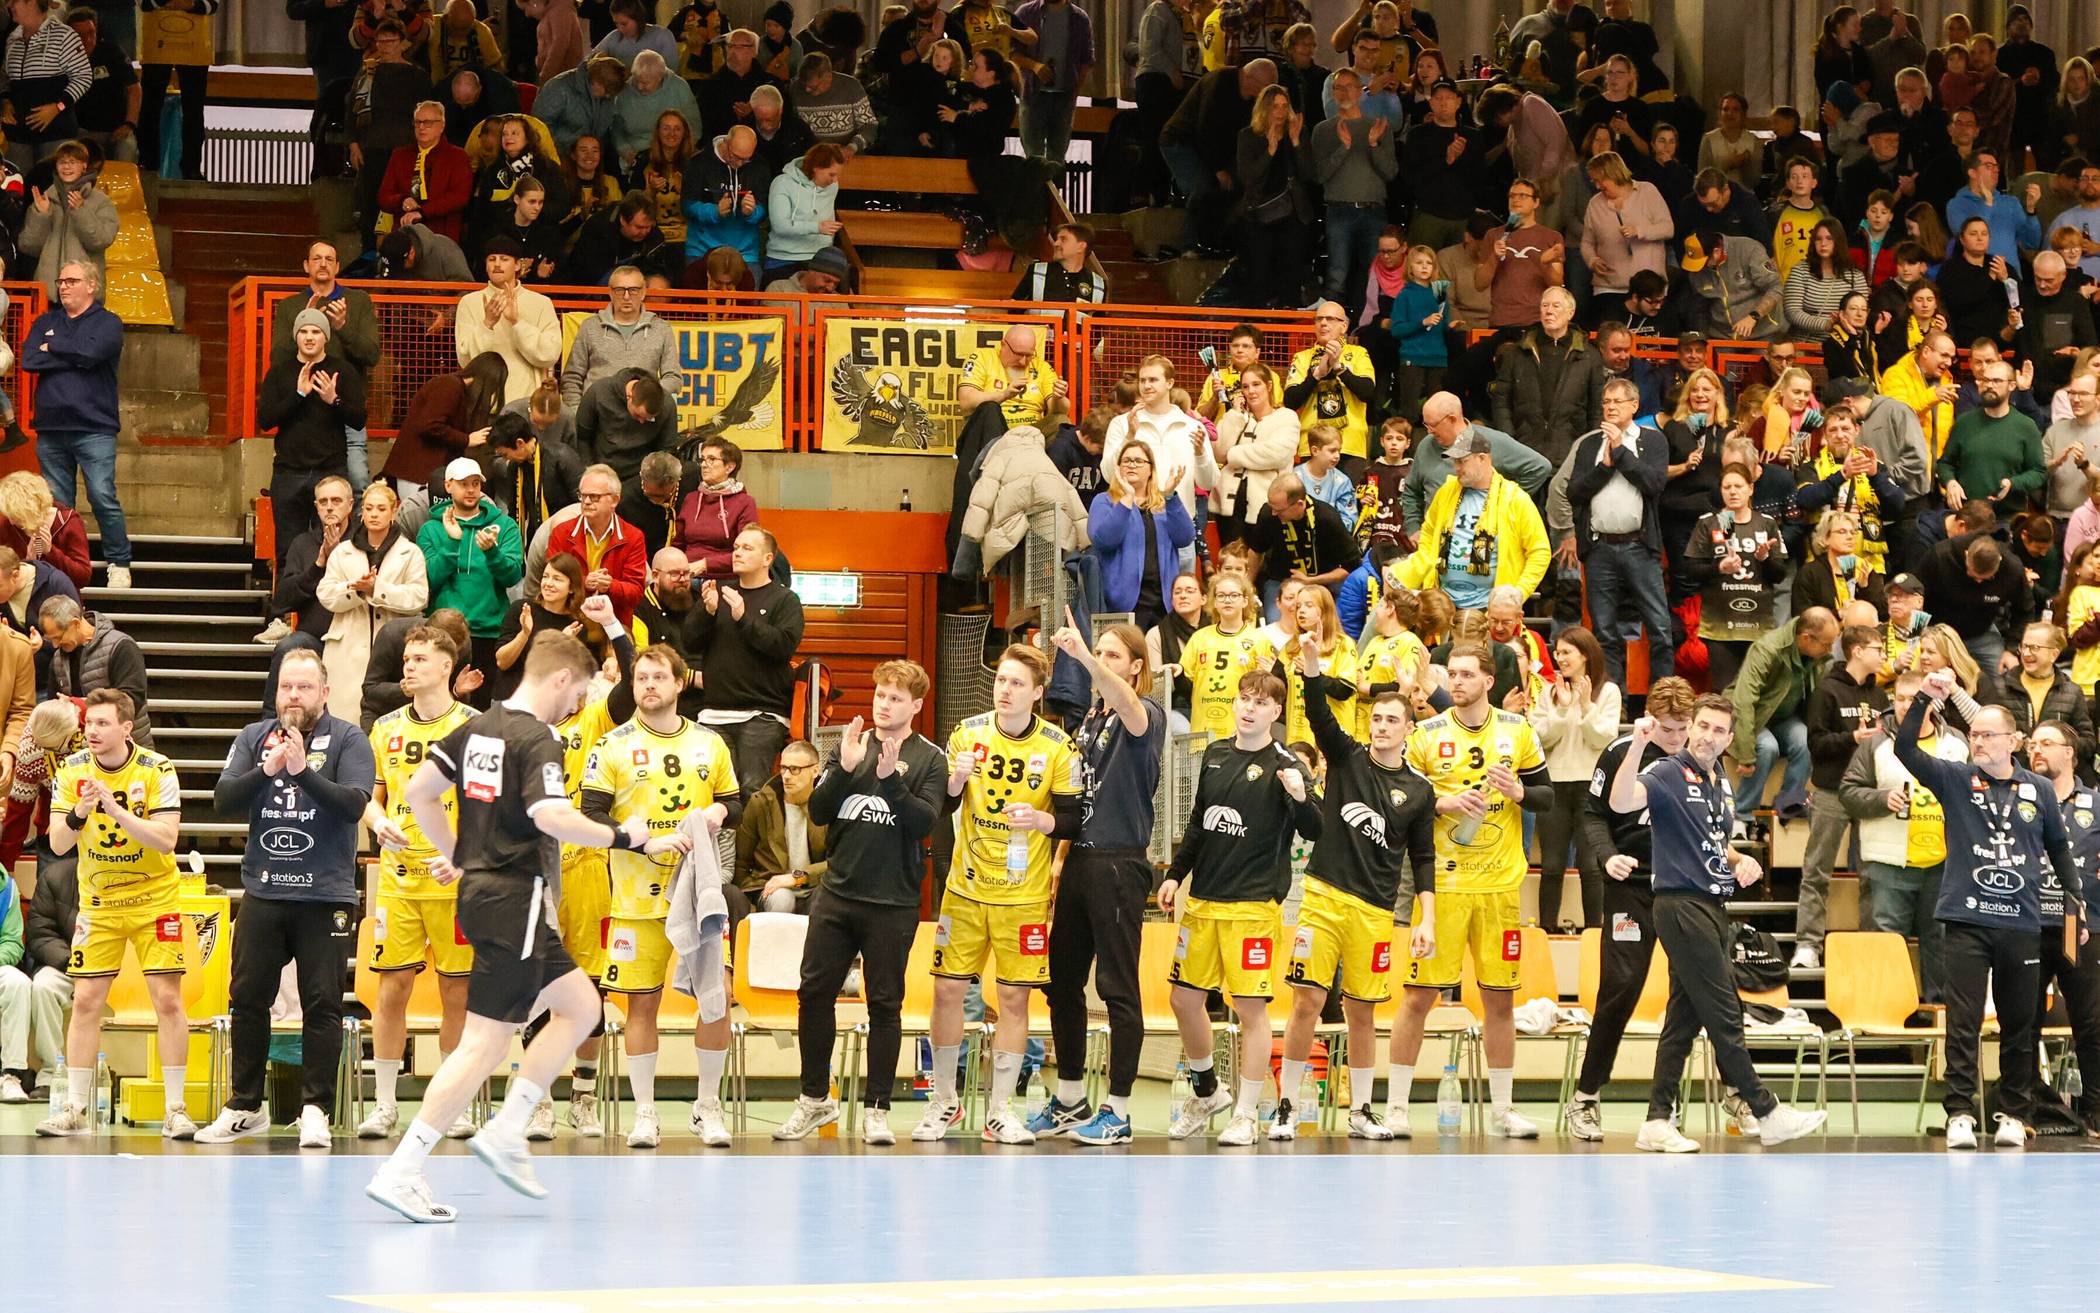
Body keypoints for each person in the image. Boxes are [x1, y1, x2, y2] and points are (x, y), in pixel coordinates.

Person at [364, 630, 682, 1221]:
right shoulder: (538, 737)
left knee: (582, 1007)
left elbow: (420, 792)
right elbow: (552, 814)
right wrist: (625, 836)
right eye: (579, 692)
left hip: (486, 896)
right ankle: (403, 1168)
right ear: (561, 679)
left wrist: (462, 855)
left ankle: (508, 1128)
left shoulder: (478, 726)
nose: (577, 704)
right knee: (484, 1043)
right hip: (518, 898)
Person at [1607, 695, 1830, 1151]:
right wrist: (1637, 745)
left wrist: (1740, 860)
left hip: (1712, 905)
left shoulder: (1719, 779)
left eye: (1717, 730)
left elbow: (1712, 840)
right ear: (1691, 728)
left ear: (1730, 739)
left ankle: (1657, 1120)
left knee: (1683, 1019)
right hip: (1680, 905)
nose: (1708, 736)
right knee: (1725, 1010)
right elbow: (1621, 799)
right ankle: (1765, 1110)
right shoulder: (1668, 771)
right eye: (1703, 726)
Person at [190, 649, 373, 1149]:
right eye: (286, 687)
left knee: (322, 1003)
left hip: (325, 895)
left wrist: (303, 771)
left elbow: (354, 805)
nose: (294, 695)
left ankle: (315, 1109)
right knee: (248, 998)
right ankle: (245, 1106)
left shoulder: (349, 739)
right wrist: (268, 770)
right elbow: (223, 799)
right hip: (265, 889)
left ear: (324, 692)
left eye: (304, 687)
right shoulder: (254, 737)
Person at [1902, 668, 2082, 1149]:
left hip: (2020, 924)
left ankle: (2014, 1114)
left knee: (2019, 1022)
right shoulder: (1955, 778)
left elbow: (2059, 849)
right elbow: (1905, 750)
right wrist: (1923, 700)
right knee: (1962, 1022)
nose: (1978, 742)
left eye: (1987, 735)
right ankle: (1960, 1112)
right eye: (1974, 734)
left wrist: (2076, 903)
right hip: (1966, 918)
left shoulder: (2039, 790)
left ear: (2013, 741)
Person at [773, 662, 946, 1146]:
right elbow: (819, 811)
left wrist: (890, 781)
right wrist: (845, 769)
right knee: (814, 993)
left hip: (893, 902)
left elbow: (924, 823)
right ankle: (814, 1098)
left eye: (896, 698)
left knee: (885, 1004)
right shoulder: (850, 745)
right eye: (880, 695)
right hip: (838, 895)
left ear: (916, 705)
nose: (884, 704)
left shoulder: (930, 758)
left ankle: (877, 1109)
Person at [1385, 642, 1552, 1138]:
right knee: (1419, 997)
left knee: (1499, 1002)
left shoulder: (1518, 730)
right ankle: (1396, 1107)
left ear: (1488, 681)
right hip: (1444, 886)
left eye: (1465, 675)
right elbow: (1399, 799)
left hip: (1500, 887)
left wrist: (1518, 791)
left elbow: (1547, 795)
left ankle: (1502, 1110)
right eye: (1452, 674)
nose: (1455, 682)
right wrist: (1444, 803)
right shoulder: (1427, 734)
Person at [917, 645, 1081, 1144]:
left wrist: (1041, 820)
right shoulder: (967, 733)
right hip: (966, 890)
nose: (1005, 690)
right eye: (1001, 680)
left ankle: (1000, 1111)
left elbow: (1073, 819)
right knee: (947, 991)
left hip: (1023, 896)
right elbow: (941, 805)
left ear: (1037, 693)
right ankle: (944, 1102)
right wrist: (955, 780)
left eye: (1016, 683)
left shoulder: (1058, 746)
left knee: (1013, 997)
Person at [1011, 619, 1165, 1147]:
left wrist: (1084, 658)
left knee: (1118, 988)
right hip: (1079, 860)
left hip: (1119, 863)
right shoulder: (1088, 723)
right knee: (1060, 982)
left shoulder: (1146, 715)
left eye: (1113, 655)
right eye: (1100, 652)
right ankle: (1071, 1098)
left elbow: (1125, 702)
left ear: (1136, 667)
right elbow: (1078, 798)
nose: (1102, 660)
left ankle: (1118, 1111)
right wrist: (1058, 857)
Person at [580, 638, 738, 1148]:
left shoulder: (710, 743)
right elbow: (589, 814)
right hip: (634, 898)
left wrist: (718, 812)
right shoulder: (612, 745)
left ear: (679, 683)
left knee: (716, 999)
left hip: (696, 894)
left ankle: (707, 1106)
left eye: (658, 677)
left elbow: (734, 802)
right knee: (640, 1005)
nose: (648, 686)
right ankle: (645, 1112)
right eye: (641, 678)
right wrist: (643, 839)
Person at [1159, 669, 1316, 1145]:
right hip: (1203, 901)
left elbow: (1315, 829)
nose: (1249, 708)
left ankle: (1246, 1113)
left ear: (1276, 712)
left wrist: (1300, 795)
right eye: (1244, 699)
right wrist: (1174, 875)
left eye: (1260, 702)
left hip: (1252, 905)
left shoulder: (1287, 764)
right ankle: (1208, 1091)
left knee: (1249, 1007)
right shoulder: (1215, 755)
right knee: (1183, 999)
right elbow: (1199, 823)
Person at [32, 690, 185, 1138]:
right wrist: (80, 812)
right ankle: (76, 1108)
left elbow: (166, 839)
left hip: (155, 898)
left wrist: (117, 811)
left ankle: (175, 1109)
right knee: (85, 1001)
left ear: (126, 728)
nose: (92, 732)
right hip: (99, 904)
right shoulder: (72, 770)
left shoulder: (157, 768)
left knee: (168, 1000)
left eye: (102, 724)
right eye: (89, 725)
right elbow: (57, 843)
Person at [352, 623, 476, 1141]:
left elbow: (491, 807)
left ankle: (450, 1107)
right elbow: (370, 794)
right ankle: (384, 1105)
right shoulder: (385, 728)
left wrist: (466, 856)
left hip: (454, 882)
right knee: (391, 989)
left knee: (457, 993)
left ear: (447, 667)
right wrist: (377, 820)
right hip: (399, 879)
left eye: (420, 659)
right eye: (406, 659)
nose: (408, 666)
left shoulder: (474, 726)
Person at [1563, 676, 1697, 1140]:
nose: (1675, 738)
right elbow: (1593, 814)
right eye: (1667, 729)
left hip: (1683, 889)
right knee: (1620, 988)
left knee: (1696, 992)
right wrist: (1606, 857)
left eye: (1682, 728)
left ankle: (1679, 1104)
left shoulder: (1700, 756)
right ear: (1649, 719)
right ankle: (1585, 1097)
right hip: (1630, 888)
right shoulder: (1622, 750)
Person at [20, 261, 127, 590]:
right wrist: (74, 354)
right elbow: (29, 359)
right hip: (51, 427)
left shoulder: (108, 323)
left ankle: (119, 562)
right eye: (61, 281)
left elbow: (92, 353)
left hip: (95, 427)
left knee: (102, 495)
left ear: (91, 285)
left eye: (71, 281)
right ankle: (63, 567)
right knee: (57, 506)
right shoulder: (46, 321)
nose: (63, 286)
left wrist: (53, 347)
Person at [1563, 376, 1670, 687]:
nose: (1610, 407)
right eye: (1606, 402)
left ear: (1634, 405)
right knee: (1603, 632)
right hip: (1600, 548)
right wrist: (1605, 467)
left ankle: (1662, 700)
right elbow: (1574, 493)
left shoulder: (1653, 441)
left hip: (1640, 545)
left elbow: (1653, 485)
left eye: (1617, 401)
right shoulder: (1589, 444)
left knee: (1660, 628)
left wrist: (1620, 452)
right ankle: (1614, 701)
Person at [2021, 718, 2100, 1134]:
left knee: (2091, 1021)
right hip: (2028, 925)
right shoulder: (2017, 798)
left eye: (2047, 743)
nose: (2037, 750)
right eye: (2032, 744)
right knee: (2024, 1022)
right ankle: (2023, 1109)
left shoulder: (2095, 803)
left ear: (2069, 753)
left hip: (2080, 927)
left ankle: (2096, 1110)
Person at [683, 526, 803, 799]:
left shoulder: (785, 599)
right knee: (711, 789)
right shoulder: (719, 593)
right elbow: (689, 642)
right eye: (736, 547)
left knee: (751, 790)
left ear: (768, 559)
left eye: (747, 548)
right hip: (714, 712)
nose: (737, 553)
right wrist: (707, 612)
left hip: (762, 714)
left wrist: (743, 618)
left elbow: (783, 647)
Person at [1392, 432, 1551, 612]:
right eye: (1454, 461)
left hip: (1491, 609)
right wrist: (1406, 573)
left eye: (1462, 461)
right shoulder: (1447, 491)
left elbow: (1540, 552)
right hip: (1443, 604)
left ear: (1482, 458)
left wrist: (1518, 592)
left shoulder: (1515, 499)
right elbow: (1429, 533)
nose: (1456, 467)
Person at [259, 310, 366, 576]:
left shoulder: (343, 370)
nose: (309, 337)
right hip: (289, 472)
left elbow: (358, 420)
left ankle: (329, 600)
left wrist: (334, 400)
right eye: (304, 331)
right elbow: (266, 420)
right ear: (295, 336)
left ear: (325, 337)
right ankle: (287, 602)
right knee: (287, 549)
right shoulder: (280, 372)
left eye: (316, 331)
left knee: (335, 546)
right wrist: (298, 394)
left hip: (329, 470)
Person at [317, 482, 429, 726]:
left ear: (393, 511)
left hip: (393, 649)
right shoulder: (342, 551)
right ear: (361, 512)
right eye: (369, 508)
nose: (374, 514)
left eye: (381, 508)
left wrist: (377, 590)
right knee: (344, 720)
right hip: (347, 646)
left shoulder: (410, 552)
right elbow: (325, 594)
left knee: (390, 724)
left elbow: (419, 596)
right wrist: (356, 590)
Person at [1529, 626, 1618, 933]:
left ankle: (1595, 932)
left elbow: (1602, 739)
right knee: (1552, 865)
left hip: (1590, 788)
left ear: (1585, 655)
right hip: (1554, 785)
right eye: (1557, 652)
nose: (1560, 658)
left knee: (1590, 865)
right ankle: (1547, 931)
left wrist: (1585, 706)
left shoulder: (1607, 692)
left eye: (1566, 652)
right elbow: (1540, 738)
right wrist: (1563, 708)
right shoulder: (1549, 692)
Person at [416, 458, 526, 693]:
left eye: (475, 483)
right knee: (440, 700)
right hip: (443, 635)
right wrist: (453, 542)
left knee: (483, 706)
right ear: (448, 486)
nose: (470, 489)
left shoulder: (504, 526)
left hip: (489, 631)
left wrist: (492, 552)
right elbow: (429, 580)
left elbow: (512, 576)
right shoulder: (430, 529)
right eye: (463, 483)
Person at [1728, 608, 1838, 829]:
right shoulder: (1767, 649)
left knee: (1806, 742)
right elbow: (1744, 701)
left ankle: (1788, 806)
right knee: (1767, 747)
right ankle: (1743, 816)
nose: (1830, 650)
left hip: (1784, 717)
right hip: (1753, 715)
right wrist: (1746, 752)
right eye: (1826, 644)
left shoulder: (1816, 657)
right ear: (1806, 638)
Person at [1308, 66, 1394, 319]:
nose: (1344, 92)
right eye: (1338, 88)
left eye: (1349, 87)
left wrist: (1373, 144)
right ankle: (1331, 328)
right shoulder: (1323, 130)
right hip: (1339, 210)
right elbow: (1319, 175)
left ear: (1359, 91)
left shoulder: (1378, 126)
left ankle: (1365, 328)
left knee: (1372, 275)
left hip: (1373, 210)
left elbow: (1390, 172)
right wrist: (1343, 148)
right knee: (1337, 274)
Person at [1493, 287, 1604, 471]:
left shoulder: (1589, 356)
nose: (1549, 311)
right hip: (1523, 451)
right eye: (1544, 305)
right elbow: (1501, 402)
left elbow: (1597, 409)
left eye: (1556, 306)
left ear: (1570, 313)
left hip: (1571, 452)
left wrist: (1590, 449)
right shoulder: (1517, 353)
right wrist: (1509, 441)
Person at [1089, 440, 1193, 633]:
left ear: (1150, 469)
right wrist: (1127, 499)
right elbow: (1104, 541)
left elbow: (1185, 537)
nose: (1131, 465)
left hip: (1163, 604)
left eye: (1138, 461)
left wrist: (1171, 497)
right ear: (1118, 468)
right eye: (1126, 461)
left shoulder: (1164, 504)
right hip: (1124, 604)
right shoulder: (1105, 501)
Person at [455, 236, 561, 408]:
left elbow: (549, 354)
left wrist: (517, 322)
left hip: (527, 401)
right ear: (486, 265)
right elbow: (465, 359)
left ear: (518, 265)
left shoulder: (541, 303)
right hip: (483, 401)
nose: (497, 264)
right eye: (492, 259)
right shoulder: (469, 302)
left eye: (504, 259)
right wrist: (487, 323)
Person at [1243, 474, 1357, 618]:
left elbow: (1350, 567)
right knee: (1275, 621)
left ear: (1300, 504)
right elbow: (1256, 551)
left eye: (1279, 510)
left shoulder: (1326, 517)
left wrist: (1311, 581)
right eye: (1271, 507)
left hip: (1322, 582)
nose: (1273, 513)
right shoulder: (1268, 514)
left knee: (1331, 622)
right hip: (1280, 581)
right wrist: (1246, 586)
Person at [546, 464, 647, 627]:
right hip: (570, 625)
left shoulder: (633, 537)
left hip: (614, 626)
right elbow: (551, 582)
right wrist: (583, 582)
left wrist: (610, 586)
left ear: (615, 500)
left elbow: (636, 593)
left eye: (594, 497)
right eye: (582, 495)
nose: (586, 501)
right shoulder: (562, 533)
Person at [732, 740, 826, 913]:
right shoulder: (762, 803)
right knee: (782, 899)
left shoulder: (828, 806)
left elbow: (838, 863)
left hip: (814, 886)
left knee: (825, 902)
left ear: (815, 770)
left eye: (795, 769)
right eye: (783, 768)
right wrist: (746, 900)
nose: (787, 776)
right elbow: (741, 860)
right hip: (772, 887)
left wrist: (797, 878)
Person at [1283, 301, 1376, 471]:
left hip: (1349, 445)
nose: (1323, 323)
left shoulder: (1358, 353)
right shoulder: (1302, 357)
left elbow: (1367, 392)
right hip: (1313, 445)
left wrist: (1339, 368)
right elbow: (1290, 401)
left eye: (1330, 319)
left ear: (1344, 326)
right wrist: (1317, 375)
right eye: (1319, 319)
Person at [378, 100, 474, 242]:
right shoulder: (400, 155)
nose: (421, 127)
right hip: (405, 234)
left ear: (442, 126)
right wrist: (402, 201)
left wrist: (423, 212)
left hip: (442, 235)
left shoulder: (457, 156)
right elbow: (384, 196)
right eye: (417, 122)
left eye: (428, 122)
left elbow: (459, 197)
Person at [1680, 228, 1785, 341]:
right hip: (1722, 336)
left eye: (1704, 262)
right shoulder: (1696, 271)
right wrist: (1703, 338)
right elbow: (1699, 309)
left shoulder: (1748, 249)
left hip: (1763, 331)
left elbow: (1776, 287)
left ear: (1716, 252)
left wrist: (1754, 316)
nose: (1701, 267)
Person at [677, 438, 759, 581]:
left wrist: (705, 565)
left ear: (729, 467)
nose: (704, 465)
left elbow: (747, 551)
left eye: (711, 459)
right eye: (702, 459)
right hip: (686, 577)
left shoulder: (745, 503)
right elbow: (677, 543)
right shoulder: (691, 499)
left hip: (724, 579)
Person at [958, 324, 1064, 430]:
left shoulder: (1041, 367)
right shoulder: (982, 358)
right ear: (1003, 345)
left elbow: (1061, 410)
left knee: (1061, 420)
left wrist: (1058, 398)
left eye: (1028, 355)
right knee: (990, 408)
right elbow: (965, 402)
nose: (1023, 362)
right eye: (1018, 354)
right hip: (994, 431)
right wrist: (1003, 395)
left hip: (1032, 432)